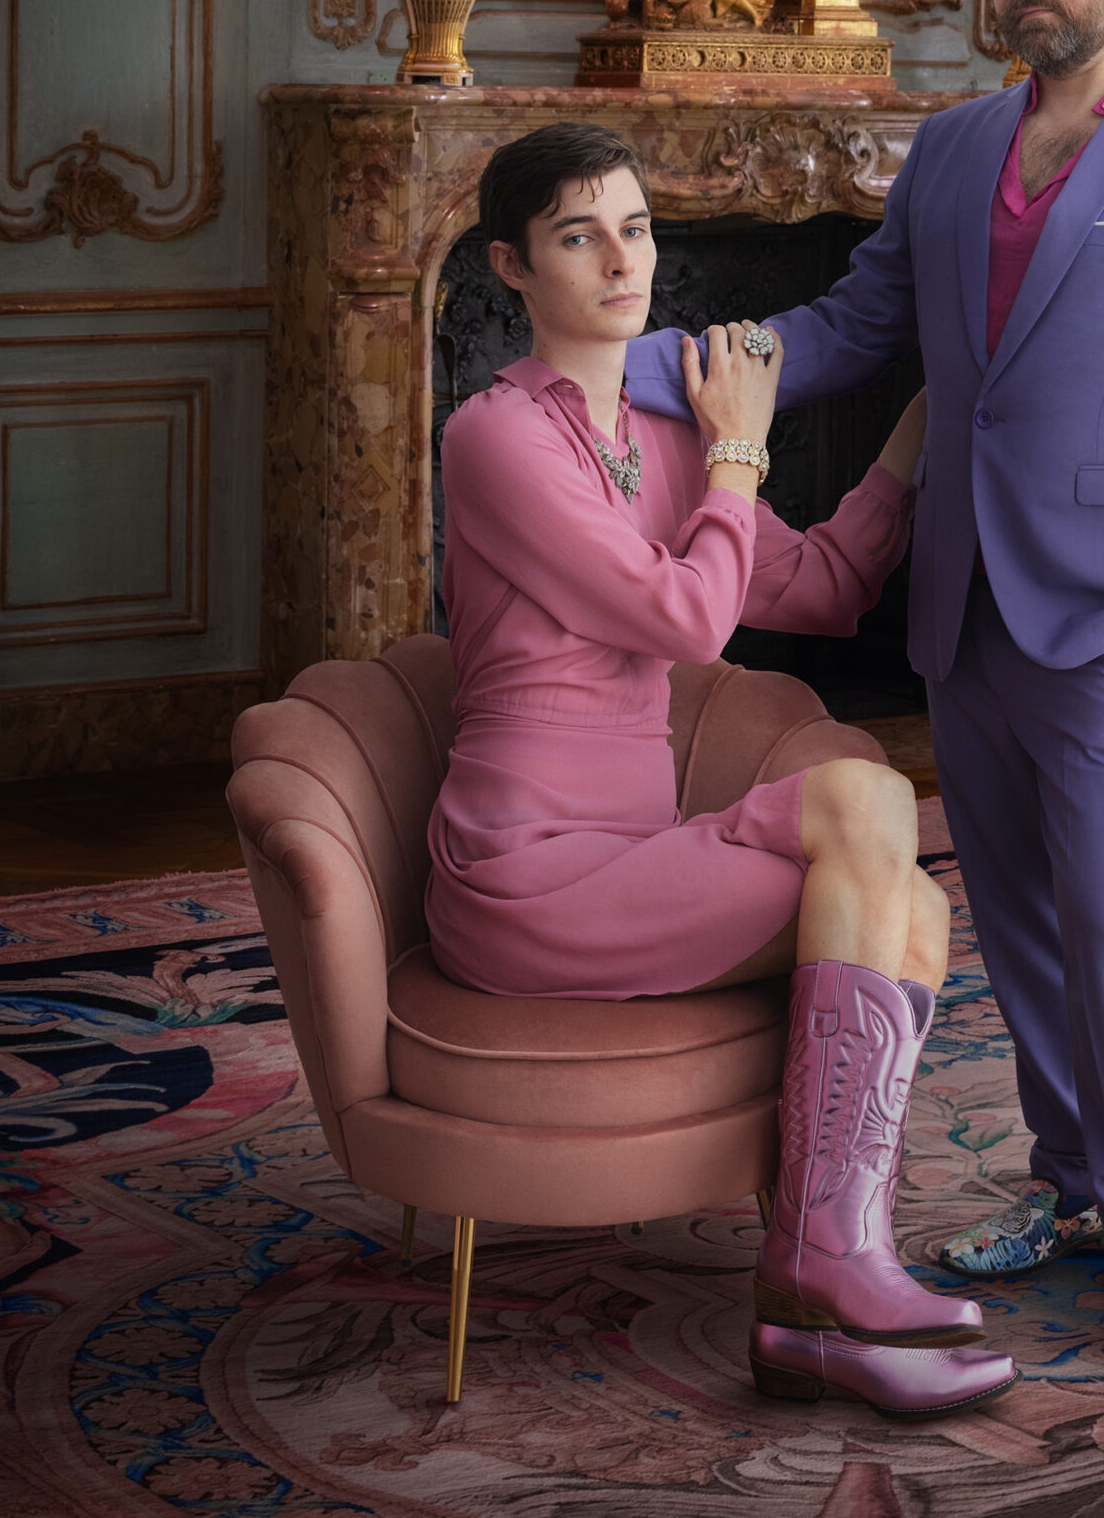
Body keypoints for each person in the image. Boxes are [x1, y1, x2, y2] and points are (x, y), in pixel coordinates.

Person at [629, 0, 1104, 1362]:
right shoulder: (949, 154)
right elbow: (844, 333)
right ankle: (1070, 1187)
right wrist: (645, 369)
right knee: (1014, 919)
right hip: (964, 611)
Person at [429, 122, 1015, 1418]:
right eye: (579, 235)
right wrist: (741, 447)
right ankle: (822, 1278)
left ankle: (823, 1290)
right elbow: (690, 620)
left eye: (635, 228)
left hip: (636, 859)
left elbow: (821, 585)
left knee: (908, 893)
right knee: (869, 803)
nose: (619, 257)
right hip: (526, 878)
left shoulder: (669, 434)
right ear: (512, 268)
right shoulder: (495, 439)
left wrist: (925, 423)